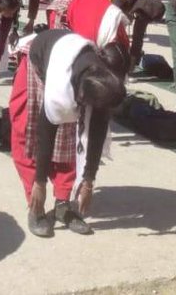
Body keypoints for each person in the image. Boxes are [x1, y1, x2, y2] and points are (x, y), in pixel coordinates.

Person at [9, 30, 126, 237]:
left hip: (70, 59)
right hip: (40, 60)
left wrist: (89, 179)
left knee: (70, 143)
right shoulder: (60, 93)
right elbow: (44, 137)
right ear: (81, 98)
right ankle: (35, 206)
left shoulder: (103, 81)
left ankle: (63, 204)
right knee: (28, 133)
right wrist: (40, 183)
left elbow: (96, 134)